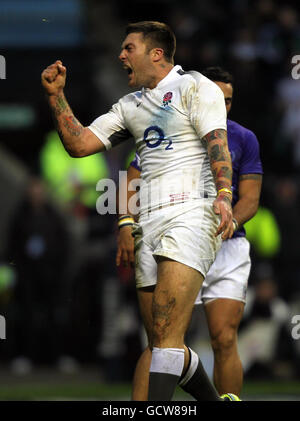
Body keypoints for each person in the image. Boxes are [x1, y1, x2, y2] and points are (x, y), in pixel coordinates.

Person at [41, 21, 233, 401]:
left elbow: (217, 143)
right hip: (149, 221)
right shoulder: (130, 106)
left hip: (191, 212)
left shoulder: (194, 86)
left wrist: (225, 193)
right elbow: (79, 144)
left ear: (156, 53)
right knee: (163, 339)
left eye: (129, 48)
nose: (121, 55)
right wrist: (56, 97)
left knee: (164, 329)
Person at [117, 66, 263, 398]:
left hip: (226, 243)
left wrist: (231, 223)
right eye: (216, 98)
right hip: (176, 239)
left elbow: (251, 198)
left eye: (228, 101)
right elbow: (132, 179)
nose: (222, 107)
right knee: (161, 339)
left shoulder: (243, 138)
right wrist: (126, 221)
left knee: (223, 337)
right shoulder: (166, 129)